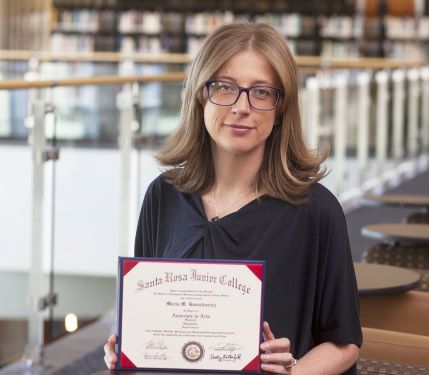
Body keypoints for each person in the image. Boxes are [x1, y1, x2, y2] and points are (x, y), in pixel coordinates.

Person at [104, 22, 362, 374]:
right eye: (224, 87)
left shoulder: (316, 211)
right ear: (199, 94)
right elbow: (148, 312)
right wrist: (130, 345)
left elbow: (344, 343)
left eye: (261, 92)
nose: (242, 107)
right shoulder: (162, 196)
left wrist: (294, 372)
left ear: (281, 107)